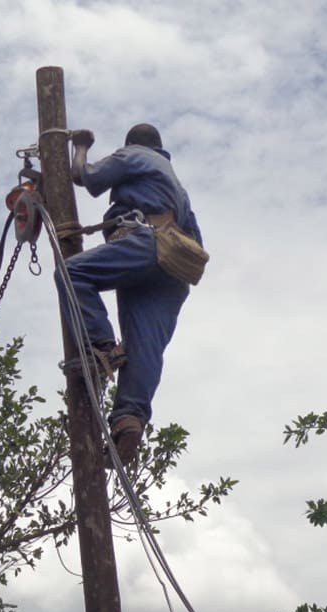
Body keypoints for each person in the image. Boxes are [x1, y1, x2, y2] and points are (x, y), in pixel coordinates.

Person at [57, 123, 203, 466]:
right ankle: (129, 418)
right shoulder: (178, 189)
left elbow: (86, 178)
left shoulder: (135, 155)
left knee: (72, 272)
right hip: (176, 269)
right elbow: (195, 240)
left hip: (146, 244)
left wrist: (80, 146)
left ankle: (101, 348)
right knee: (144, 346)